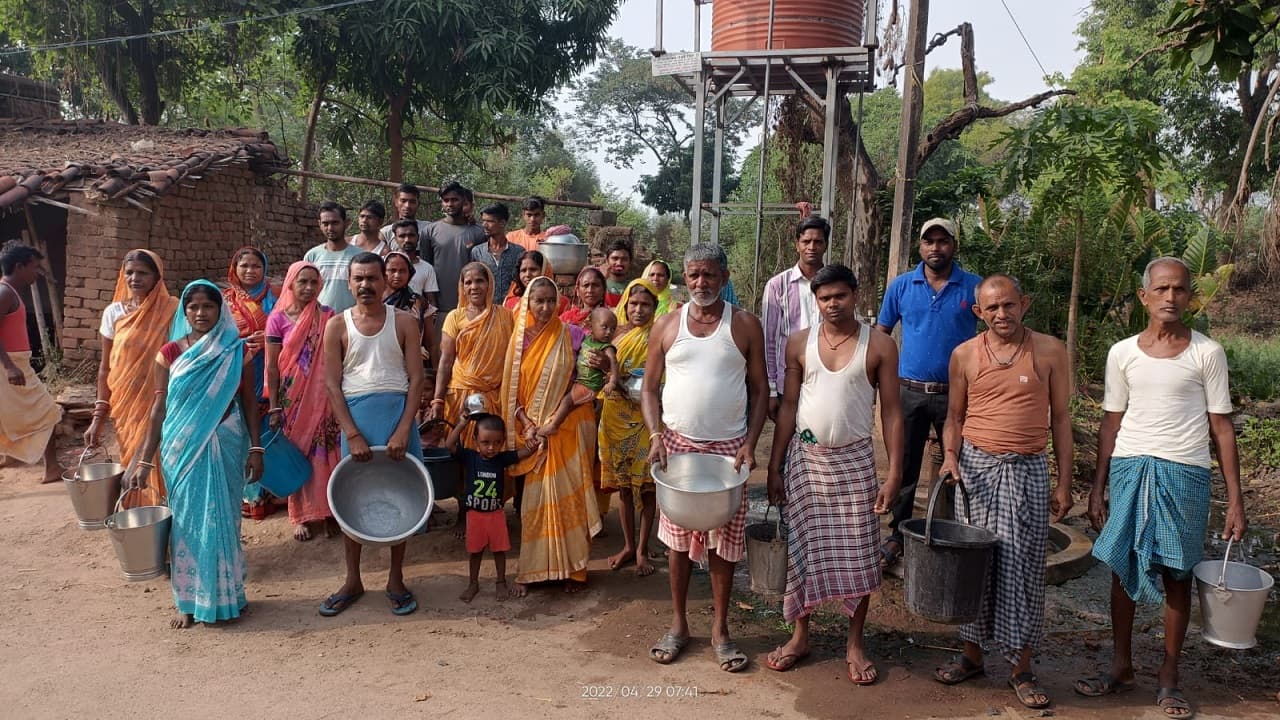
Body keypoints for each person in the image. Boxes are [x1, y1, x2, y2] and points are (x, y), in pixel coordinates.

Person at [1077, 257, 1246, 720]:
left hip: (1185, 473)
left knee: (1178, 573)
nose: (1171, 298)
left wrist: (1235, 499)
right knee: (1122, 564)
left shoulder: (1206, 353)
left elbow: (1222, 428)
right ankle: (1121, 667)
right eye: (1163, 289)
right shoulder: (1122, 353)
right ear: (1144, 296)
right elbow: (1111, 421)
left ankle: (1169, 677)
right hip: (1131, 469)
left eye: (1180, 290)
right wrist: (1097, 488)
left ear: (1191, 297)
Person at [932, 274, 1073, 710]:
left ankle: (1021, 666)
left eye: (1008, 305)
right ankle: (972, 655)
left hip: (1027, 469)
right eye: (991, 308)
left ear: (1023, 303)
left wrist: (1065, 483)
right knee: (973, 566)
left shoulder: (1049, 350)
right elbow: (954, 417)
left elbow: (1062, 419)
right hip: (974, 470)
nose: (1001, 314)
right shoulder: (964, 355)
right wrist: (950, 455)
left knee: (1023, 569)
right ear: (978, 312)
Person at [763, 264, 904, 684]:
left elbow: (893, 412)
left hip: (856, 462)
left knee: (861, 553)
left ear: (855, 296)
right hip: (806, 461)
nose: (832, 304)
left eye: (840, 296)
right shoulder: (798, 344)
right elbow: (788, 408)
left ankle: (854, 643)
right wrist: (774, 465)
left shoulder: (878, 345)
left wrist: (894, 472)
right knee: (802, 552)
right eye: (824, 298)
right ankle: (800, 635)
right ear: (815, 301)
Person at [641, 244, 768, 673]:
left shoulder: (745, 325)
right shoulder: (666, 325)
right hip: (677, 445)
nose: (701, 283)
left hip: (729, 450)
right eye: (693, 275)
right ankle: (678, 625)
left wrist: (750, 443)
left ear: (724, 276)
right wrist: (656, 434)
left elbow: (760, 393)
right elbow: (648, 389)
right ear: (684, 277)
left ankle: (720, 629)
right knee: (676, 542)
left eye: (709, 275)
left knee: (726, 545)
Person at [127, 280, 264, 629]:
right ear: (184, 312)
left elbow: (249, 401)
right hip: (181, 447)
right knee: (187, 522)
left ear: (221, 311)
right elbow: (159, 408)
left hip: (227, 440)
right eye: (193, 307)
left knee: (225, 521)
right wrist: (144, 459)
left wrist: (256, 446)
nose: (200, 313)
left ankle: (230, 597)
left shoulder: (236, 351)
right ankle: (187, 602)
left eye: (208, 306)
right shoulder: (170, 353)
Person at [319, 252, 426, 617]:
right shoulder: (336, 326)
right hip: (356, 421)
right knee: (351, 501)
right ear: (348, 283)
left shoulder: (406, 323)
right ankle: (353, 579)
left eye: (372, 278)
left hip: (398, 417)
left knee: (402, 498)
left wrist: (402, 429)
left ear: (386, 281)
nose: (365, 285)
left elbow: (416, 381)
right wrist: (351, 434)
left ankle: (396, 578)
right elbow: (332, 385)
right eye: (358, 279)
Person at [874, 217, 982, 570]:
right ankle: (900, 534)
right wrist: (878, 379)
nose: (936, 248)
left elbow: (994, 333)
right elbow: (882, 333)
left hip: (957, 394)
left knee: (958, 464)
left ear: (954, 245)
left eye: (943, 241)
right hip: (909, 390)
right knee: (904, 465)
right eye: (929, 241)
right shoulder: (903, 286)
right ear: (920, 247)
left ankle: (952, 532)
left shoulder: (974, 288)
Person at [502, 276, 602, 596]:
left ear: (559, 302)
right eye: (538, 301)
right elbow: (510, 392)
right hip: (533, 433)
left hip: (569, 428)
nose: (545, 307)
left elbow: (589, 383)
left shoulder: (572, 336)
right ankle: (534, 570)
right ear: (527, 303)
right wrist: (527, 424)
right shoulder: (517, 343)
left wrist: (555, 419)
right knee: (533, 502)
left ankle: (574, 571)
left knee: (569, 498)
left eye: (550, 301)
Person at [85, 249, 178, 507]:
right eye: (129, 272)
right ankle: (143, 526)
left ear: (157, 277)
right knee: (131, 461)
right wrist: (98, 415)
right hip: (126, 405)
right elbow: (105, 367)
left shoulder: (173, 310)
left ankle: (167, 523)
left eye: (142, 273)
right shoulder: (113, 313)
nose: (134, 278)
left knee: (160, 459)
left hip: (162, 400)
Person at [428, 263, 515, 534]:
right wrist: (437, 400)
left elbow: (513, 360)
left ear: (490, 284)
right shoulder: (454, 317)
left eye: (480, 281)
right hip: (460, 396)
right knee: (462, 458)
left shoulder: (504, 316)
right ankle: (464, 514)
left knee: (488, 456)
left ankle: (491, 511)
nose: (474, 287)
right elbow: (445, 360)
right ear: (461, 286)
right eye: (468, 282)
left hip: (493, 397)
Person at [265, 261, 340, 541]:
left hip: (324, 398)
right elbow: (272, 366)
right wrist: (274, 404)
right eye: (302, 282)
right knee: (297, 455)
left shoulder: (329, 316)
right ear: (291, 284)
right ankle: (300, 516)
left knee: (328, 453)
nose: (308, 288)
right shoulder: (277, 318)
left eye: (313, 282)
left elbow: (335, 359)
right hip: (291, 399)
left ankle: (331, 511)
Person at [598, 279, 661, 575]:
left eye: (645, 305)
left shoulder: (660, 337)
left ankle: (642, 549)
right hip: (614, 419)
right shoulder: (614, 334)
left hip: (646, 420)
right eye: (633, 304)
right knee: (623, 488)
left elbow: (660, 382)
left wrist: (618, 380)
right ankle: (627, 545)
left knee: (647, 489)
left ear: (654, 307)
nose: (638, 310)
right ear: (625, 304)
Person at [441, 413, 538, 603]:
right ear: (475, 440)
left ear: (502, 442)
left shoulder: (502, 459)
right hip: (475, 516)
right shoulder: (469, 456)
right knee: (475, 552)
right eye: (485, 442)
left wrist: (532, 444)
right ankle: (473, 583)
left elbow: (524, 453)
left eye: (497, 442)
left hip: (496, 515)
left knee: (499, 550)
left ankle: (500, 581)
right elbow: (449, 446)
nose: (491, 447)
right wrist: (461, 423)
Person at [0, 242, 62, 483]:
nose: (37, 273)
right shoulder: (5, 293)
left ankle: (9, 456)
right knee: (48, 412)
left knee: (6, 413)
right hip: (12, 364)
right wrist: (10, 366)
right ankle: (53, 468)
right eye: (34, 267)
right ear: (19, 266)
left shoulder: (9, 292)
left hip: (14, 362)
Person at [763, 217, 829, 420]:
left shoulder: (835, 285)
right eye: (806, 242)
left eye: (818, 242)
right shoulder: (777, 286)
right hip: (788, 385)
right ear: (797, 245)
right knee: (787, 443)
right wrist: (771, 390)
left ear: (825, 245)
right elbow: (769, 341)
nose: (812, 247)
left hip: (827, 383)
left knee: (821, 444)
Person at [422, 182, 485, 322]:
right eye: (446, 200)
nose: (450, 204)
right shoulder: (429, 231)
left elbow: (482, 270)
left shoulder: (478, 232)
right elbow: (425, 268)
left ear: (463, 201)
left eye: (454, 200)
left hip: (470, 307)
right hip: (438, 307)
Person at [305, 202, 363, 313]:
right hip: (319, 319)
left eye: (335, 223)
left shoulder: (360, 256)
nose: (330, 228)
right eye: (325, 224)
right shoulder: (312, 256)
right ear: (319, 224)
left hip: (352, 319)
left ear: (346, 223)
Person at [471, 203, 523, 305]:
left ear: (502, 223)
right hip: (486, 308)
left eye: (490, 221)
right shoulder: (477, 252)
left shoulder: (519, 252)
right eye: (483, 221)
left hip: (511, 309)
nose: (484, 225)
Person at [568, 306, 619, 405]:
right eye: (604, 327)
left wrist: (612, 382)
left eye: (613, 329)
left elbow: (614, 363)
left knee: (567, 403)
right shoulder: (587, 340)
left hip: (590, 386)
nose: (609, 332)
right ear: (591, 327)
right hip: (580, 382)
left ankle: (554, 421)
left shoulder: (607, 347)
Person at [391, 219, 440, 309]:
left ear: (418, 237)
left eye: (411, 235)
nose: (407, 240)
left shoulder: (427, 268)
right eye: (402, 236)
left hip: (415, 320)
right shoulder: (384, 264)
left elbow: (432, 301)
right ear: (395, 239)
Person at [379, 183, 432, 248]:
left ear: (418, 204)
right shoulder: (386, 233)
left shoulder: (429, 229)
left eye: (412, 202)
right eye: (403, 201)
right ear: (396, 202)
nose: (407, 206)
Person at [602, 239, 633, 308]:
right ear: (607, 261)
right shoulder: (598, 286)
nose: (619, 263)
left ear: (630, 262)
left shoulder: (634, 287)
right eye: (615, 258)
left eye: (624, 259)